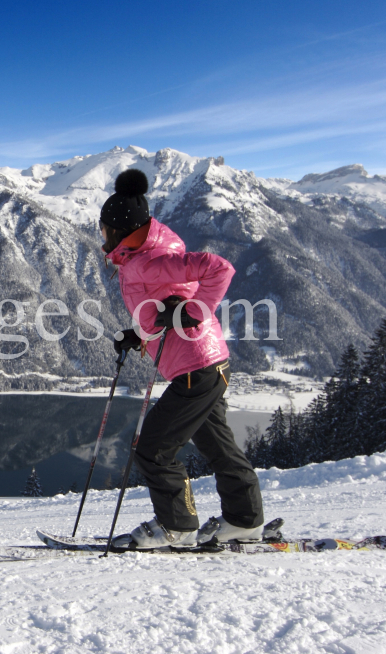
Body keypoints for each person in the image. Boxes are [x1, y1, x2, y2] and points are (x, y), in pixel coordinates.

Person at [100, 168, 264, 548]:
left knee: (152, 449)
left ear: (123, 230)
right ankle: (244, 520)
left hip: (195, 368)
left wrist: (195, 311)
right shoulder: (142, 256)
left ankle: (177, 526)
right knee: (217, 446)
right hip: (208, 364)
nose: (102, 236)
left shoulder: (150, 261)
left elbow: (219, 268)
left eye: (106, 229)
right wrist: (138, 335)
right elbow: (160, 308)